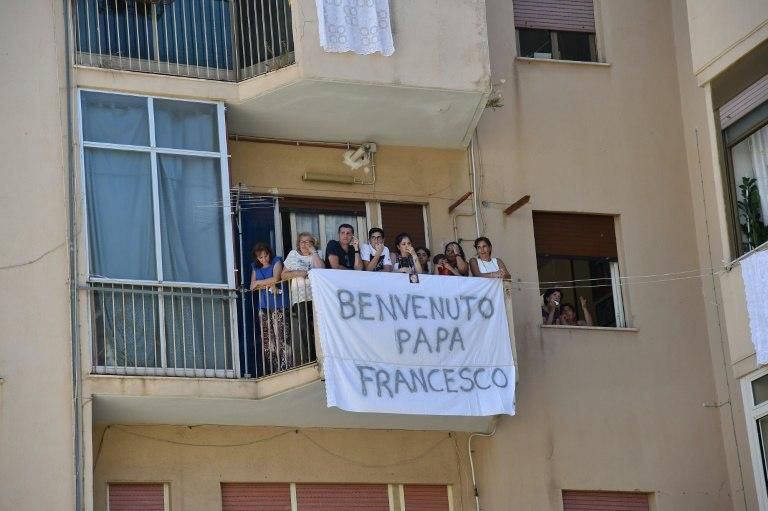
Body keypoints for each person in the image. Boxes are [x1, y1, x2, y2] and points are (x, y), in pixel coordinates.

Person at [281, 232, 325, 363]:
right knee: (305, 327)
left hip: (317, 296)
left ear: (313, 243)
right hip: (299, 297)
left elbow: (322, 269)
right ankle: (311, 358)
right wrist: (300, 273)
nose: (305, 244)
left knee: (319, 326)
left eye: (308, 241)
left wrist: (314, 252)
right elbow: (283, 275)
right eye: (302, 242)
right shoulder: (293, 254)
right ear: (298, 244)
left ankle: (322, 355)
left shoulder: (318, 254)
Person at [250, 243, 292, 374]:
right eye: (261, 257)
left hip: (279, 305)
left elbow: (276, 278)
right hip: (263, 306)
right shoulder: (255, 267)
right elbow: (251, 286)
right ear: (257, 258)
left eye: (266, 255)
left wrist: (258, 282)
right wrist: (261, 283)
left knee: (282, 337)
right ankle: (273, 369)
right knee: (268, 340)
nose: (264, 259)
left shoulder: (276, 261)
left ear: (270, 253)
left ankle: (285, 367)